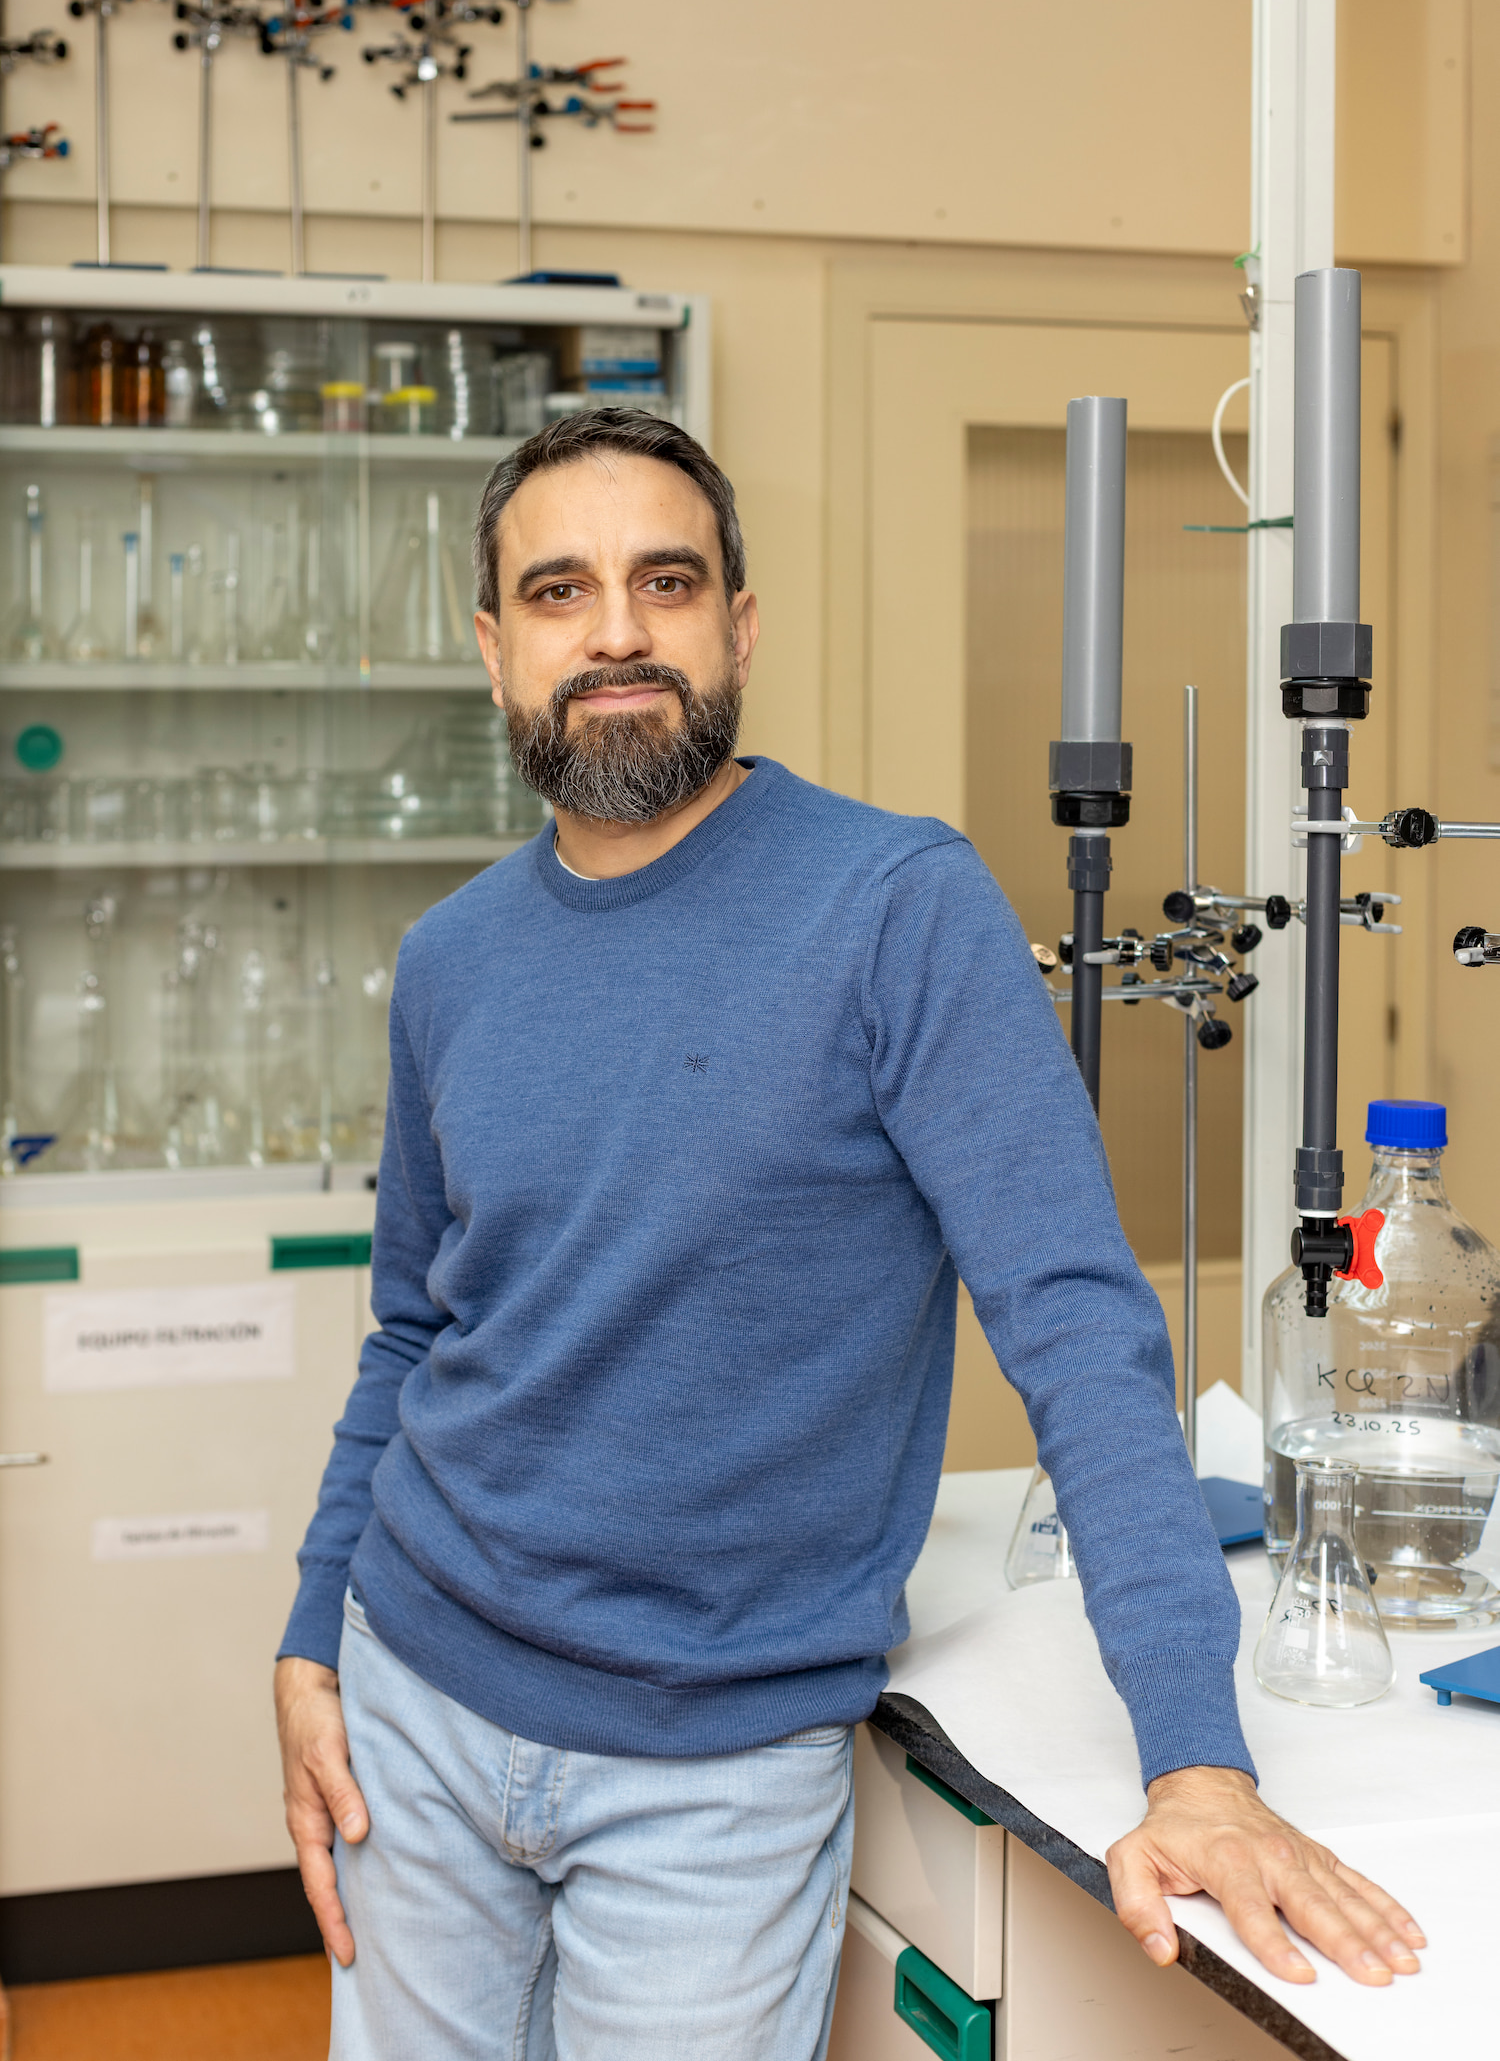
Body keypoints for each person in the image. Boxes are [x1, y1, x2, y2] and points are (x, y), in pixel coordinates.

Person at [276, 406, 1423, 2060]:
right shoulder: (452, 958)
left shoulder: (894, 907)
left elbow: (1078, 1325)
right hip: (411, 1703)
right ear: (493, 646)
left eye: (665, 582)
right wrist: (314, 1637)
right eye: (559, 591)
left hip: (713, 1770)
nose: (615, 631)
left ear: (738, 625)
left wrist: (1197, 1758)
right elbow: (410, 1329)